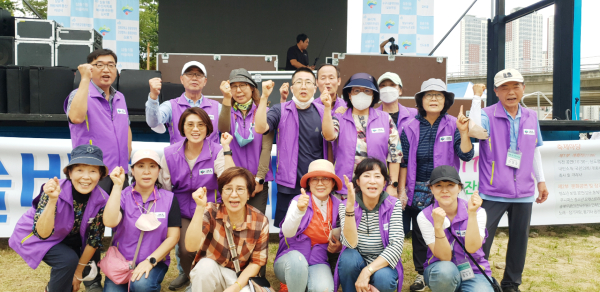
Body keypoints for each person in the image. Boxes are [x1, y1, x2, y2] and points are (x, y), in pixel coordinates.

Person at [470, 69, 548, 292]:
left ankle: (511, 284)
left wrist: (541, 181)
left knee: (519, 241)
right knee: (482, 240)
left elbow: (534, 150)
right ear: (495, 91)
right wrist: (476, 99)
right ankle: (479, 279)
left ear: (523, 88)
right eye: (504, 87)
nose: (510, 92)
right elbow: (475, 130)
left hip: (523, 191)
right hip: (492, 190)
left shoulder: (531, 116)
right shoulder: (486, 113)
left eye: (515, 86)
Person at [399, 78, 474, 292]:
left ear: (446, 100)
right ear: (421, 100)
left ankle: (451, 269)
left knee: (447, 229)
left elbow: (466, 154)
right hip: (418, 188)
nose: (433, 99)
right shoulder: (409, 126)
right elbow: (403, 161)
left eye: (439, 95)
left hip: (443, 189)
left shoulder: (453, 123)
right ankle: (423, 274)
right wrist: (402, 190)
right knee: (421, 233)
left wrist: (463, 131)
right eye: (428, 95)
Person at [9, 145, 110, 292]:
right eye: (79, 170)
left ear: (100, 175)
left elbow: (94, 240)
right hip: (35, 236)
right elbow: (42, 233)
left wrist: (78, 273)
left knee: (71, 273)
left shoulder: (103, 199)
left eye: (93, 171)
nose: (86, 177)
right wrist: (52, 200)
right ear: (69, 172)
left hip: (68, 239)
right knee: (67, 260)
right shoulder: (53, 189)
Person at [159, 107, 236, 286]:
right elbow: (165, 187)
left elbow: (229, 178)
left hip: (211, 209)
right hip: (183, 211)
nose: (196, 129)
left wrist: (226, 150)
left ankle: (213, 279)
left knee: (212, 247)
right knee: (186, 249)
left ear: (208, 128)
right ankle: (192, 280)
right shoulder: (170, 153)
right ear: (182, 128)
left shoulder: (216, 150)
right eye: (190, 125)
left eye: (201, 125)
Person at [255, 67, 329, 227]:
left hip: (316, 183)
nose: (303, 86)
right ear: (292, 87)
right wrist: (264, 98)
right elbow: (260, 128)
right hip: (288, 184)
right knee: (286, 232)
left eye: (308, 82)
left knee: (314, 231)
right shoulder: (279, 110)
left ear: (315, 88)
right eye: (299, 82)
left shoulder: (324, 112)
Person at [103, 150, 181, 292]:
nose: (147, 172)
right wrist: (117, 186)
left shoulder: (169, 199)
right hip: (121, 263)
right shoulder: (122, 195)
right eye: (140, 166)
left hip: (154, 261)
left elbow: (173, 237)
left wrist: (150, 261)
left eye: (152, 166)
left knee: (141, 285)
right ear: (132, 170)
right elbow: (110, 222)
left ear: (159, 170)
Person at [185, 167, 270, 292]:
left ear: (248, 194)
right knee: (204, 267)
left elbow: (256, 263)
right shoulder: (210, 211)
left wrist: (235, 288)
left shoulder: (260, 221)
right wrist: (199, 208)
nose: (234, 194)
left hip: (239, 278)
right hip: (211, 273)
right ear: (221, 192)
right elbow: (191, 247)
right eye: (228, 189)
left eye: (240, 189)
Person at [322, 73, 401, 199]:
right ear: (349, 94)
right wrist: (327, 108)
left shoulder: (385, 119)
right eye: (356, 90)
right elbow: (329, 136)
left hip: (376, 189)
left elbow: (395, 155)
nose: (361, 94)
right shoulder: (339, 118)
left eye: (367, 91)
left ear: (373, 95)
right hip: (345, 190)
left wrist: (393, 185)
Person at [65, 49, 131, 195]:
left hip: (119, 173)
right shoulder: (80, 93)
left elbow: (126, 126)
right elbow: (76, 118)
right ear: (90, 68)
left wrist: (127, 155)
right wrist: (84, 80)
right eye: (99, 65)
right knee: (91, 216)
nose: (106, 70)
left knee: (118, 215)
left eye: (111, 65)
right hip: (93, 172)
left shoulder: (120, 97)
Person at [418, 165, 493, 292]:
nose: (444, 190)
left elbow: (472, 247)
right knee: (445, 272)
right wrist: (438, 226)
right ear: (431, 189)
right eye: (438, 186)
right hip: (441, 269)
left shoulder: (478, 212)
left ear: (459, 187)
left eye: (450, 185)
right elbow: (445, 257)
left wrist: (472, 214)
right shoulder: (424, 216)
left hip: (473, 269)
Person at [335, 158, 405, 292]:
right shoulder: (346, 205)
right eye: (366, 176)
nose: (372, 181)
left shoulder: (393, 205)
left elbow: (396, 246)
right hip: (357, 259)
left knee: (384, 278)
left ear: (384, 182)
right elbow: (350, 244)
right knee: (348, 258)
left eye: (377, 176)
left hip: (383, 263)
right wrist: (349, 209)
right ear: (358, 181)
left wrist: (367, 271)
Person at [274, 159, 343, 292]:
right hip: (290, 261)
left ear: (333, 182)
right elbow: (287, 232)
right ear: (309, 183)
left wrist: (339, 247)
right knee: (297, 262)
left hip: (318, 262)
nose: (320, 183)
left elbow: (344, 236)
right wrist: (300, 210)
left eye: (325, 179)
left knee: (325, 289)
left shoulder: (339, 206)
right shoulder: (298, 201)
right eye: (315, 179)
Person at [218, 68, 275, 214]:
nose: (238, 90)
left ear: (251, 87)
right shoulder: (227, 112)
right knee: (233, 224)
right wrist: (225, 99)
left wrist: (260, 179)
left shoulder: (264, 112)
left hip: (257, 181)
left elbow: (266, 147)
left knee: (255, 226)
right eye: (234, 86)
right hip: (233, 181)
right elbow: (223, 128)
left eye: (242, 85)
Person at [146, 61, 222, 145]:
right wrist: (153, 96)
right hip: (180, 157)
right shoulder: (171, 106)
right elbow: (153, 123)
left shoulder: (217, 107)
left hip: (211, 158)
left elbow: (230, 129)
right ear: (182, 79)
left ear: (205, 81)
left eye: (199, 75)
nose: (194, 78)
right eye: (189, 74)